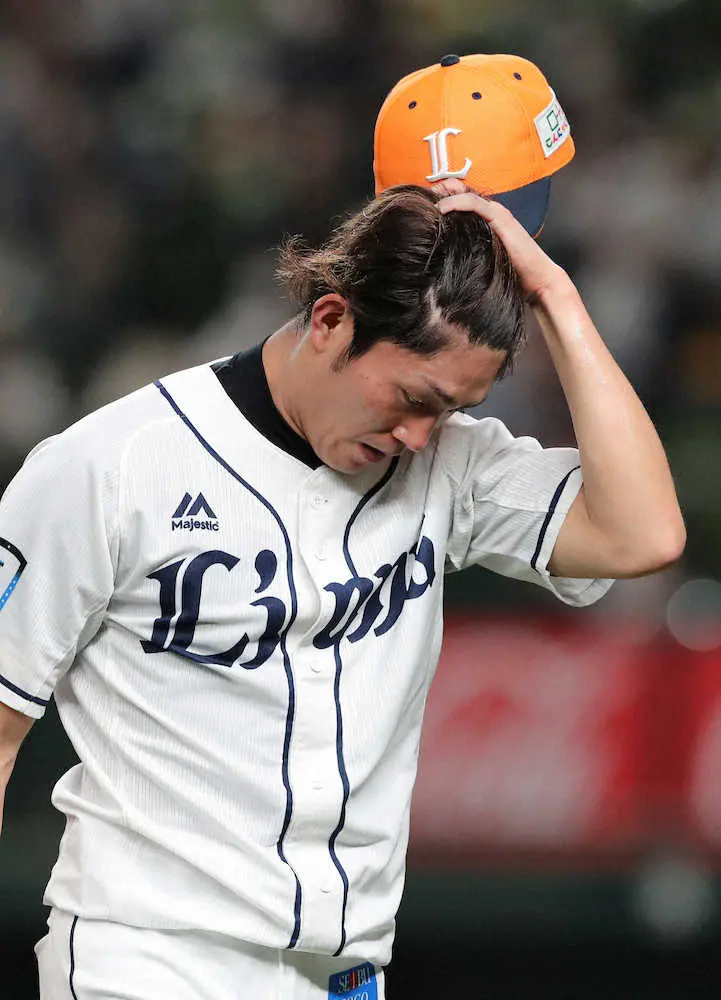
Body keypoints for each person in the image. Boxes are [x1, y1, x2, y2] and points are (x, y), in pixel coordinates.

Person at [0, 57, 684, 1000]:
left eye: (449, 411)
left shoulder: (447, 463)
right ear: (329, 319)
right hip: (150, 960)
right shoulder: (107, 466)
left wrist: (556, 301)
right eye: (411, 397)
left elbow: (642, 536)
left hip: (345, 973)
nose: (420, 434)